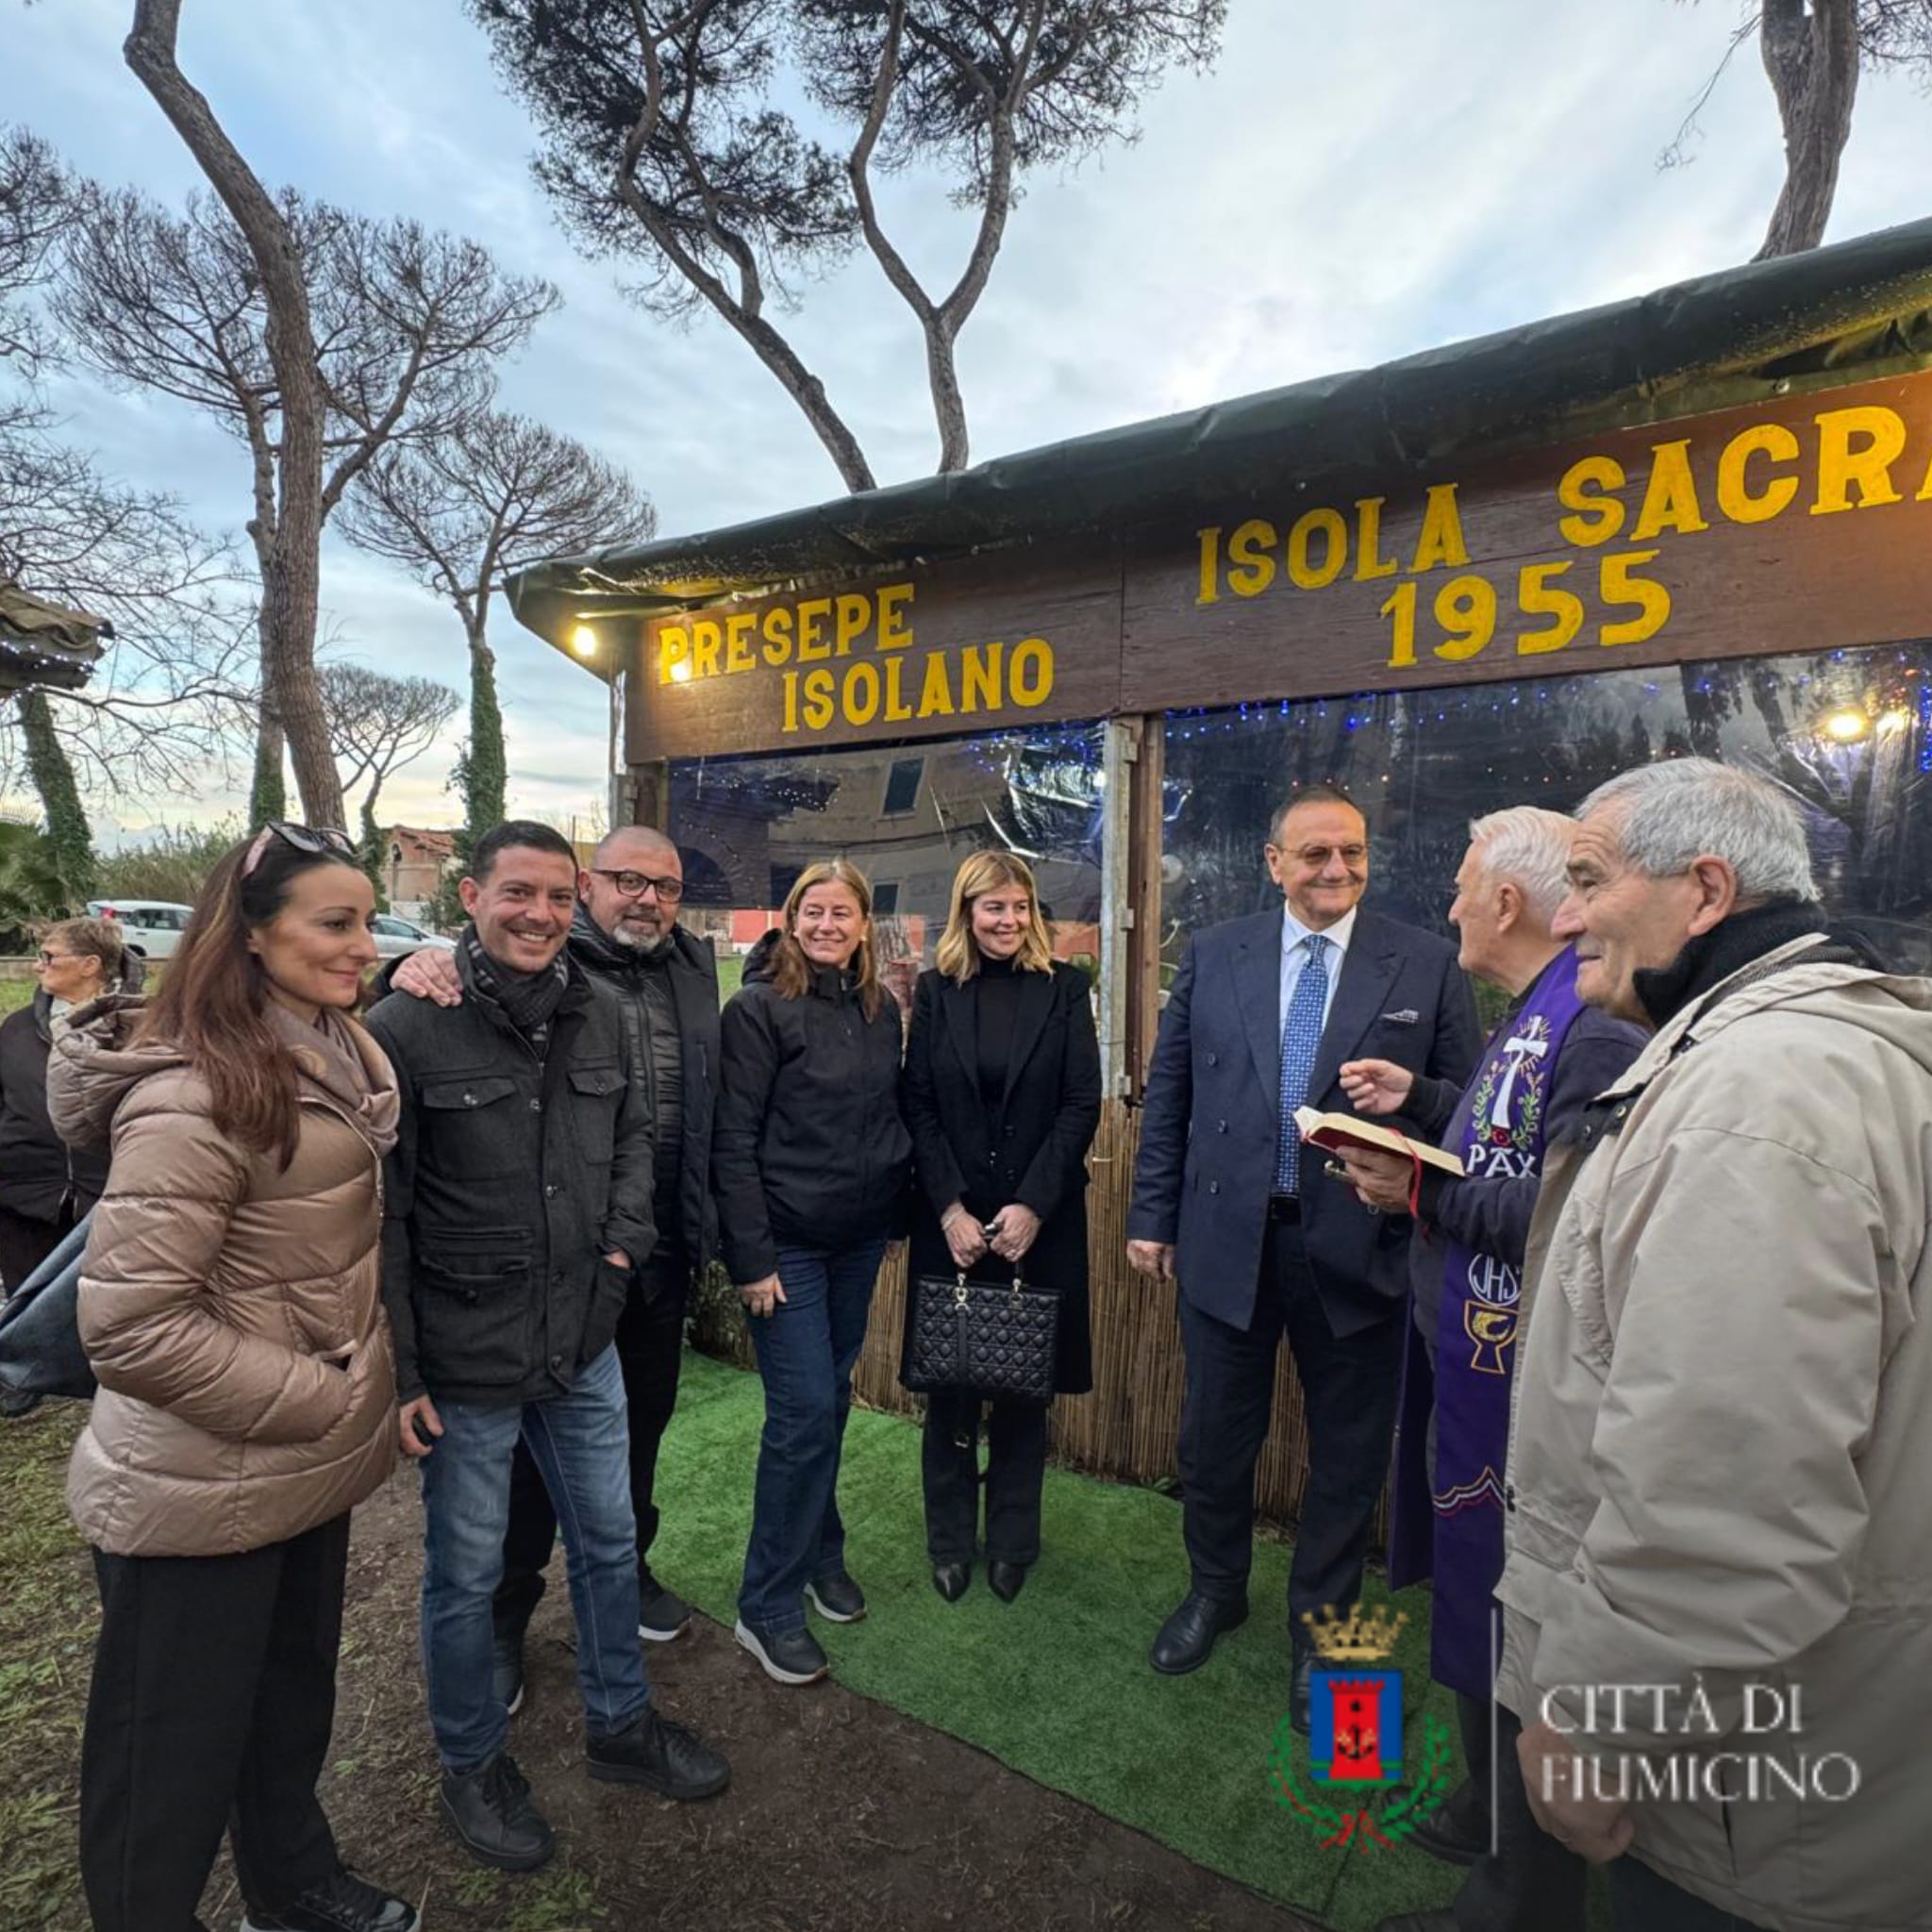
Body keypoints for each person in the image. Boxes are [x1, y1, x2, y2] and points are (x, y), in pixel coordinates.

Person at [1494, 759, 1932, 1932]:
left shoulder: (1757, 1102)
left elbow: (1726, 1493)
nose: (1566, 912)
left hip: (1754, 1804)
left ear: (1703, 889)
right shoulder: (1804, 1058)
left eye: (1585, 878)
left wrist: (1591, 1723)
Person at [47, 823, 417, 1932]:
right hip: (196, 1477)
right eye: (335, 922)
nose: (365, 945)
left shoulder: (334, 1051)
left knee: (286, 1704)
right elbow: (133, 1326)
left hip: (296, 1460)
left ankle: (290, 1884)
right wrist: (325, 1397)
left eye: (367, 920)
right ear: (252, 936)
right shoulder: (195, 1093)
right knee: (167, 1751)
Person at [365, 821, 727, 1875]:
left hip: (582, 1339)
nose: (538, 913)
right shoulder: (408, 1022)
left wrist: (620, 1254)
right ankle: (471, 1760)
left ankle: (621, 1725)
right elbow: (383, 1214)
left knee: (610, 1541)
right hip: (467, 1354)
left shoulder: (601, 1013)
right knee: (465, 1572)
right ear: (469, 895)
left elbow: (629, 1145)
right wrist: (408, 1368)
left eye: (557, 897)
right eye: (516, 892)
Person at [1322, 808, 1643, 1932]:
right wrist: (1419, 1109)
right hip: (1472, 1363)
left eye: (1461, 887)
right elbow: (1504, 1143)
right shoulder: (1540, 1007)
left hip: (1515, 1392)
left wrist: (1411, 1188)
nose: (1450, 905)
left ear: (1504, 902)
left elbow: (1569, 1213)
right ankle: (1484, 1804)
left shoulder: (1589, 1022)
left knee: (1510, 1612)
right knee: (1474, 1597)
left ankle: (1517, 1896)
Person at [1126, 782, 1481, 1728]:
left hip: (1361, 1251)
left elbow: (1465, 1104)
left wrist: (1413, 1101)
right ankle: (1214, 1589)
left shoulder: (1425, 963)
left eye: (1352, 853)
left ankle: (1318, 1631)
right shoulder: (1215, 952)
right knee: (1210, 1443)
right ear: (1272, 860)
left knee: (1345, 1460)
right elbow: (1169, 1098)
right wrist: (1148, 1215)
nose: (1336, 869)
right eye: (1315, 853)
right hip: (1224, 1243)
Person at [715, 858, 912, 1687]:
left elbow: (885, 1116)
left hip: (857, 1241)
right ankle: (765, 1603)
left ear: (864, 925)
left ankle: (821, 1552)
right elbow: (734, 1141)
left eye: (844, 913)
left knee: (829, 1402)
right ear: (792, 919)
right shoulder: (758, 1009)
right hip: (787, 1249)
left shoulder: (878, 1010)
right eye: (814, 911)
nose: (829, 925)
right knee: (799, 1418)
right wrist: (753, 1260)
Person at [901, 851, 1102, 1603]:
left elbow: (1082, 1102)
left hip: (1036, 1224)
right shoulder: (934, 992)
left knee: (1023, 1390)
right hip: (949, 1224)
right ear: (966, 913)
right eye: (992, 907)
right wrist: (950, 1207)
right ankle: (950, 1541)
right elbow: (917, 1104)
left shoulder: (1063, 991)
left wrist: (1032, 1206)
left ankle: (1014, 1540)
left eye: (1019, 906)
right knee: (949, 1389)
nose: (1008, 920)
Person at [0, 916, 132, 1289]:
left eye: (49, 956)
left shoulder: (135, 1027)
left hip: (107, 1208)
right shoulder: (17, 1027)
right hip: (22, 1205)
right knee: (26, 1326)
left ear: (89, 965)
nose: (38, 965)